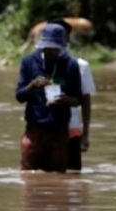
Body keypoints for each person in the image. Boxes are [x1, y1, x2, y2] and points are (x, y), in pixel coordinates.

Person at [15, 23, 82, 172]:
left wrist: (67, 99)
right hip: (34, 128)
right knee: (28, 174)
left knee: (57, 176)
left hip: (59, 130)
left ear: (61, 46)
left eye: (55, 48)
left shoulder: (71, 65)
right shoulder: (29, 62)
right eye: (48, 47)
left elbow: (78, 99)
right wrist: (33, 85)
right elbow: (19, 96)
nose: (51, 51)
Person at [48, 18, 96, 171]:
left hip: (71, 128)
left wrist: (86, 135)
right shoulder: (38, 64)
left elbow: (86, 101)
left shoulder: (80, 65)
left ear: (67, 38)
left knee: (73, 175)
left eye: (59, 35)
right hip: (44, 127)